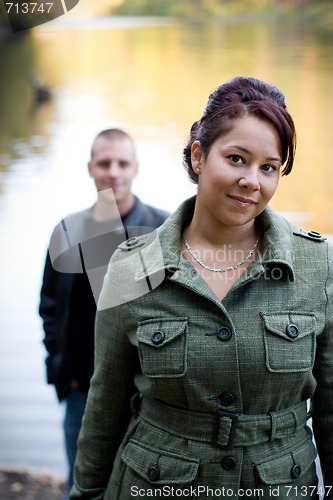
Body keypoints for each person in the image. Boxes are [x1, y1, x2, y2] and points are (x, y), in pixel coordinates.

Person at [69, 78, 333, 500]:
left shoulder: (318, 264)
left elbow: (331, 409)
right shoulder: (131, 266)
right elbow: (105, 407)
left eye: (268, 167)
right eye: (236, 158)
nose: (252, 181)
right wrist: (86, 493)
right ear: (198, 156)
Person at [39, 128, 169, 500]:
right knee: (82, 487)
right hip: (81, 389)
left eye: (122, 163)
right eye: (104, 163)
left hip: (146, 393)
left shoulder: (163, 230)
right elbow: (49, 306)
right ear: (90, 168)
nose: (113, 171)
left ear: (135, 169)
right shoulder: (67, 231)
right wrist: (61, 372)